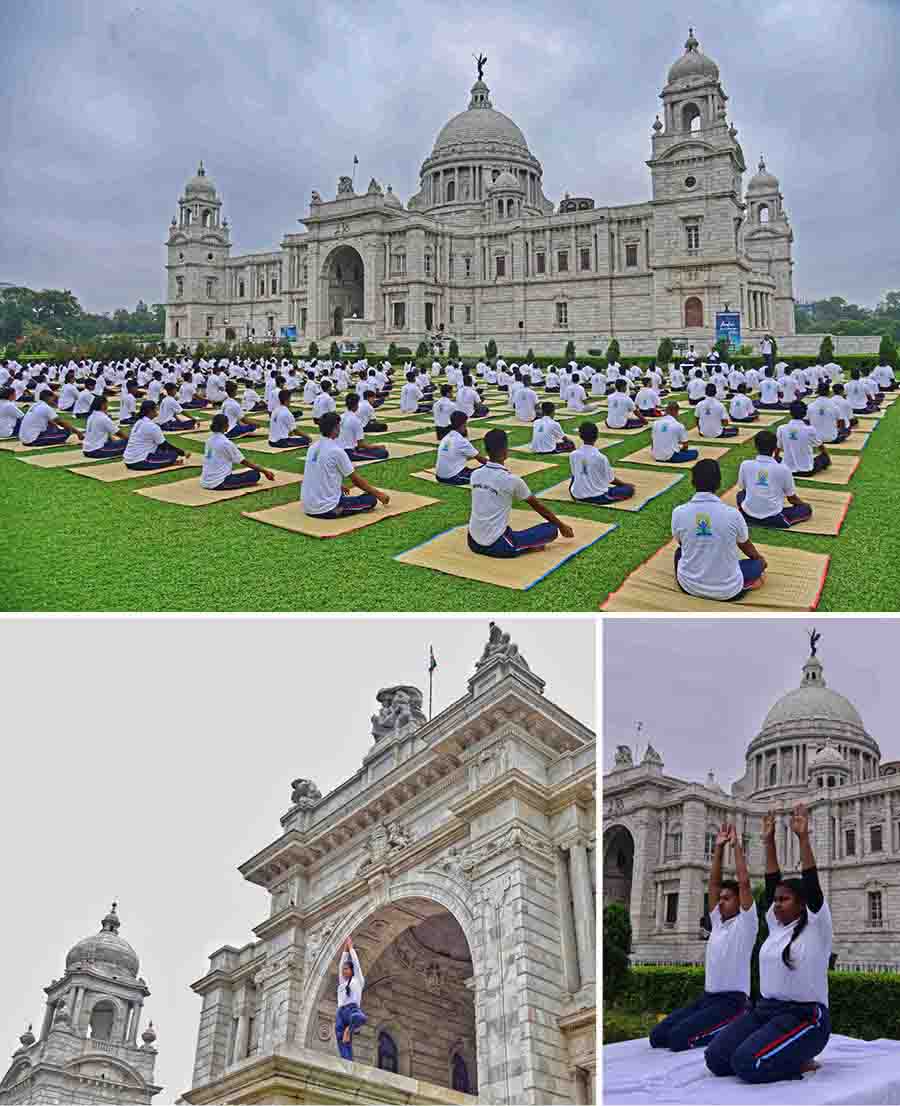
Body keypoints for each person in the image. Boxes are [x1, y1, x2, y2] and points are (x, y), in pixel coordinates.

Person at [706, 804, 832, 1084]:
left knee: (747, 1063)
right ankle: (779, 1053)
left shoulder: (816, 927)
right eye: (775, 900)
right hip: (766, 1011)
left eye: (784, 900)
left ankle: (800, 1062)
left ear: (801, 904)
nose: (776, 904)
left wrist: (802, 839)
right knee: (715, 1058)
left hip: (805, 1018)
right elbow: (772, 879)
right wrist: (768, 842)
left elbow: (811, 883)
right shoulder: (776, 927)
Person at [651, 824, 756, 1052]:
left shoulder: (746, 924)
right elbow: (714, 884)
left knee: (679, 1039)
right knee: (658, 1036)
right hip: (708, 999)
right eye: (720, 898)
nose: (720, 901)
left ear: (740, 901)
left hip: (733, 1003)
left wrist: (736, 846)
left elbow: (744, 882)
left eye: (727, 898)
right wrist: (718, 848)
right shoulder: (718, 922)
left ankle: (740, 1025)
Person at [467, 428, 574, 557]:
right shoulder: (511, 480)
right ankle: (529, 547)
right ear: (505, 451)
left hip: (472, 541)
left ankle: (525, 544)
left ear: (487, 450)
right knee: (551, 529)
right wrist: (562, 526)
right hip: (498, 545)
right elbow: (539, 507)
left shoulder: (475, 475)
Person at [671, 459, 767, 600]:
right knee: (757, 564)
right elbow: (745, 546)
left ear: (693, 482)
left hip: (689, 585)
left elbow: (681, 542)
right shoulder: (733, 515)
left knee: (679, 553)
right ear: (719, 483)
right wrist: (760, 560)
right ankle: (746, 583)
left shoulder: (679, 512)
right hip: (727, 590)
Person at [301, 411, 390, 518]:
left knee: (345, 494)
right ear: (335, 428)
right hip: (326, 509)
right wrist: (378, 494)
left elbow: (316, 472)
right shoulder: (336, 450)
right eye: (338, 426)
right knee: (370, 499)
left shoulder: (312, 447)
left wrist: (339, 486)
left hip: (307, 506)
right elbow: (356, 480)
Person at [737, 430, 813, 528]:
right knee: (806, 509)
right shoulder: (783, 469)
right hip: (774, 517)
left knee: (740, 495)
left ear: (755, 446)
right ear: (775, 447)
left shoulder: (745, 464)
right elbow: (792, 498)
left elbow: (743, 488)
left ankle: (752, 516)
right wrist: (803, 504)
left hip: (748, 515)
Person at [200, 413, 275, 490]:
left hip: (205, 481)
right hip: (219, 482)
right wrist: (265, 471)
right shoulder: (226, 443)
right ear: (226, 427)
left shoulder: (209, 440)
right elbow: (244, 461)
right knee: (255, 474)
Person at [568, 422, 635, 504]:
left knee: (579, 476)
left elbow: (575, 474)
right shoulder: (600, 457)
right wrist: (624, 484)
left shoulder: (573, 454)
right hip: (596, 496)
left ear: (580, 436)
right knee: (629, 490)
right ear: (597, 436)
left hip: (576, 494)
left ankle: (581, 489)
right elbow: (611, 479)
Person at [123, 401, 187, 470]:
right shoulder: (152, 426)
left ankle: (166, 460)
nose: (157, 410)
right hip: (138, 461)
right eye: (156, 409)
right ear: (150, 411)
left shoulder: (139, 422)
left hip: (128, 460)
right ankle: (170, 462)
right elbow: (165, 445)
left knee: (164, 450)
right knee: (173, 455)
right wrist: (182, 452)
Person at [335, 936, 367, 1061]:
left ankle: (350, 1029)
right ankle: (347, 1061)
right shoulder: (342, 982)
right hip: (340, 1012)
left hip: (352, 1009)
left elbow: (357, 965)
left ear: (352, 970)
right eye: (343, 970)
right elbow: (339, 967)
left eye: (346, 969)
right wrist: (344, 951)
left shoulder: (357, 981)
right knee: (340, 1037)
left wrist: (350, 949)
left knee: (360, 1017)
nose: (343, 971)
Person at [777, 402, 831, 476]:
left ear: (790, 412)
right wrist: (827, 456)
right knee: (823, 458)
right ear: (805, 413)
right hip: (806, 470)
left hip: (786, 469)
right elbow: (820, 445)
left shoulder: (781, 428)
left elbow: (778, 448)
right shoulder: (810, 429)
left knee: (779, 458)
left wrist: (775, 459)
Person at [435, 411, 487, 484]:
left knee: (478, 470)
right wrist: (496, 466)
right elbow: (481, 459)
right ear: (463, 424)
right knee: (488, 470)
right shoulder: (461, 441)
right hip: (452, 477)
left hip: (439, 476)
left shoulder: (446, 437)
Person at [18, 389, 83, 447]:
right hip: (32, 440)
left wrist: (56, 428)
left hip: (24, 438)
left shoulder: (35, 405)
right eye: (53, 398)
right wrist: (78, 432)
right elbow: (61, 423)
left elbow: (51, 422)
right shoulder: (46, 407)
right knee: (67, 432)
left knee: (53, 426)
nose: (54, 400)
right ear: (48, 398)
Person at [337, 394, 388, 460]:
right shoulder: (356, 420)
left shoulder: (341, 417)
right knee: (383, 453)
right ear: (356, 405)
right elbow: (361, 444)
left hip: (339, 449)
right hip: (348, 452)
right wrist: (376, 446)